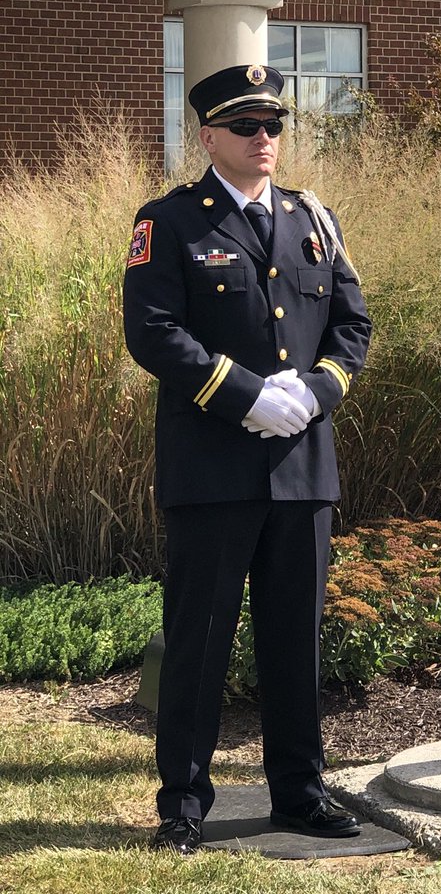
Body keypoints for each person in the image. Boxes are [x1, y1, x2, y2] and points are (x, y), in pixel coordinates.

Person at [123, 63, 372, 856]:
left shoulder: (313, 218)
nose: (264, 138)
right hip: (212, 468)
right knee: (198, 641)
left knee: (294, 638)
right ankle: (183, 805)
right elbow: (153, 332)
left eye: (273, 126)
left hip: (302, 465)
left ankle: (300, 793)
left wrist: (317, 393)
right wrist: (246, 396)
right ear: (209, 138)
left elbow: (353, 325)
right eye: (245, 126)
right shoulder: (169, 222)